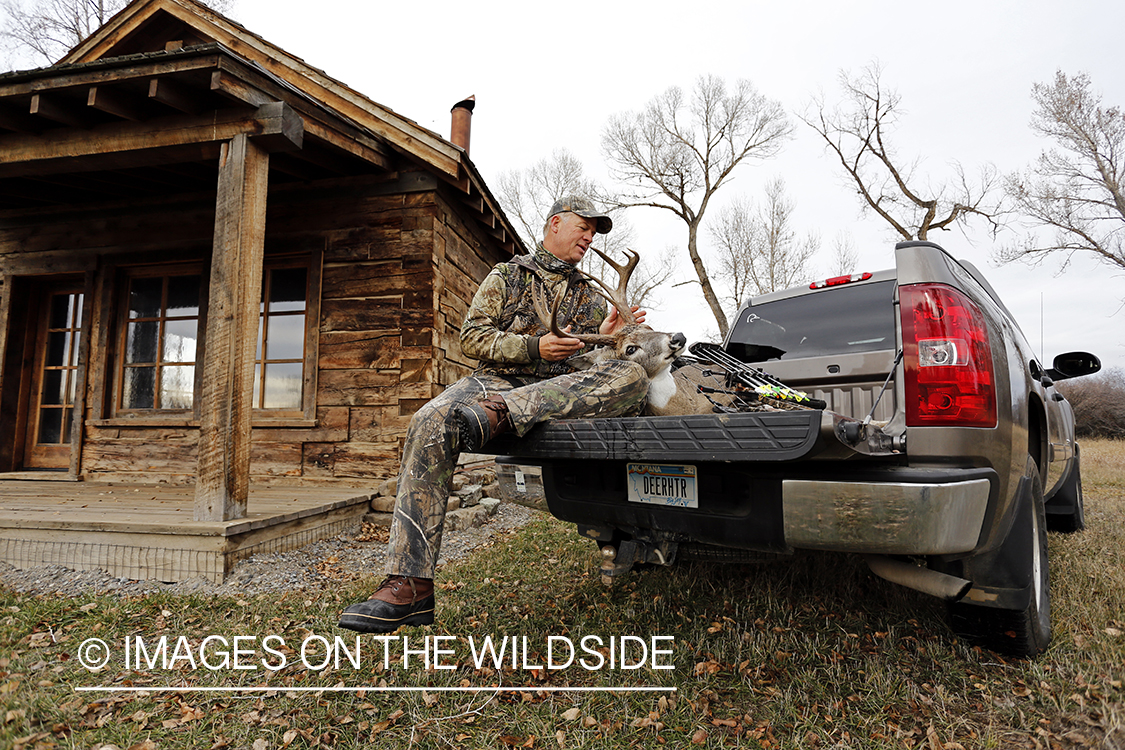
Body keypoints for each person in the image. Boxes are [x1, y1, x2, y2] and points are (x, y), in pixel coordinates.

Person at [338, 196, 651, 633]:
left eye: (595, 233)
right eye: (584, 227)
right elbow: (473, 338)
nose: (589, 237)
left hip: (553, 393)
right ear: (555, 223)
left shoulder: (592, 296)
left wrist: (604, 337)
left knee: (632, 375)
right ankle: (410, 585)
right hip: (496, 382)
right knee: (428, 420)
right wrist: (532, 347)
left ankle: (504, 414)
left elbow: (592, 367)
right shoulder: (508, 275)